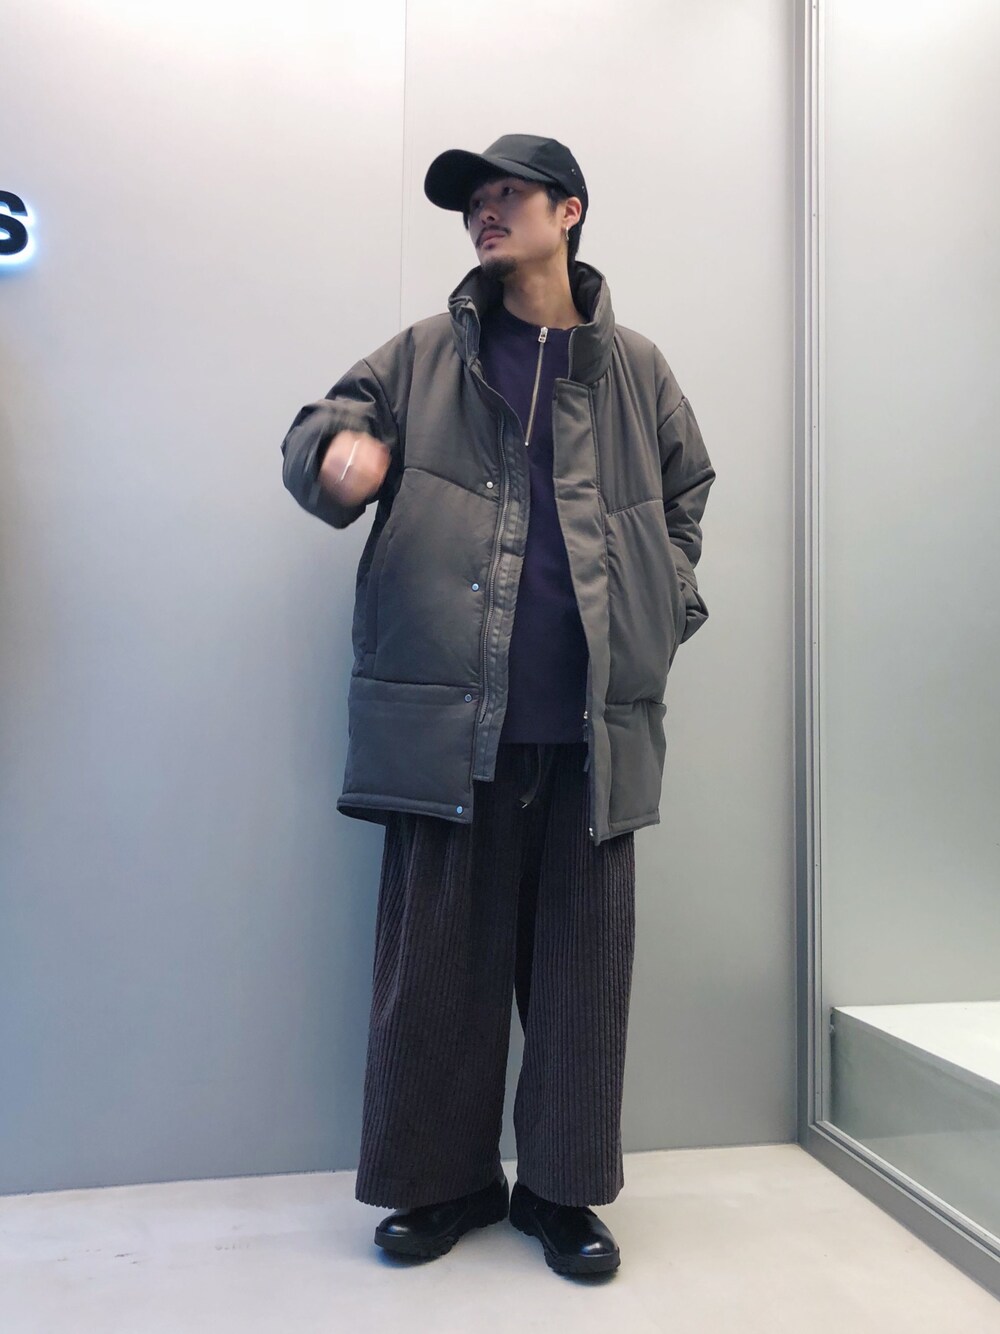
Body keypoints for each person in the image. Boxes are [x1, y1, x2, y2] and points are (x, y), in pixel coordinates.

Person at [280, 134, 715, 1277]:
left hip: (591, 730)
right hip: (448, 725)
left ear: (568, 211)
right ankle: (444, 1182)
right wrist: (336, 455)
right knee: (434, 975)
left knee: (581, 977)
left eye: (507, 193)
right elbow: (316, 426)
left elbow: (686, 495)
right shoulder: (423, 355)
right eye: (473, 200)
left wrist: (666, 598)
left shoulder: (637, 369)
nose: (484, 211)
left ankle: (559, 1191)